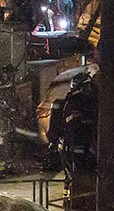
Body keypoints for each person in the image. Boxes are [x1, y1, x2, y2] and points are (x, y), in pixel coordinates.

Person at [47, 71, 98, 211]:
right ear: (80, 87)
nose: (90, 90)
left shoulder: (79, 103)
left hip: (72, 148)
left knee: (71, 178)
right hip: (74, 149)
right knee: (75, 178)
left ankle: (69, 203)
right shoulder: (75, 104)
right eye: (87, 87)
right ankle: (72, 204)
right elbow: (75, 130)